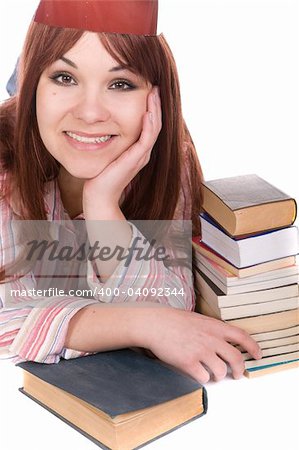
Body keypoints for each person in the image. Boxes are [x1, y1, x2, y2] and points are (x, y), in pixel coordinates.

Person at [0, 0, 261, 383]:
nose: (90, 113)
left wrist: (102, 203)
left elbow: (174, 304)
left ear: (153, 99)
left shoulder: (164, 161)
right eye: (64, 78)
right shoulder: (6, 166)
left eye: (120, 84)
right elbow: (7, 322)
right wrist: (145, 324)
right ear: (33, 84)